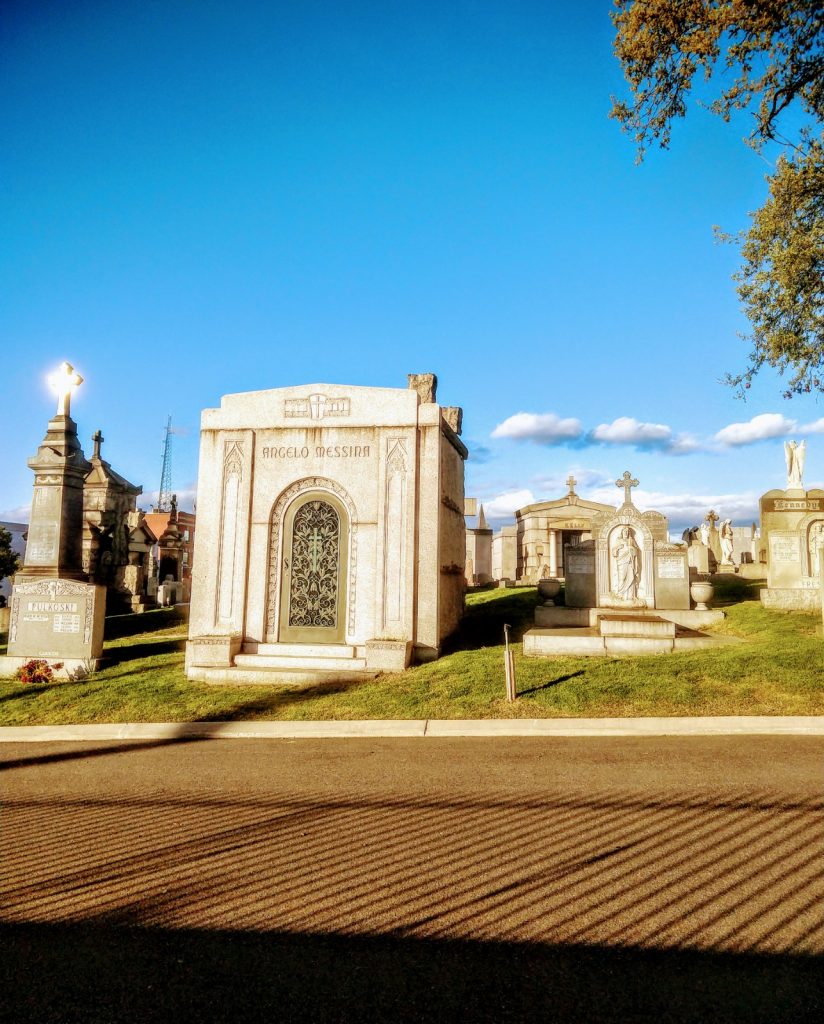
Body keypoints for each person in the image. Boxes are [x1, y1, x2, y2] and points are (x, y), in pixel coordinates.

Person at [612, 526, 641, 600]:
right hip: (621, 561)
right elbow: (614, 553)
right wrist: (618, 548)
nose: (626, 533)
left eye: (628, 531)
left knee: (631, 578)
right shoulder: (619, 541)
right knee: (622, 578)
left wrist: (632, 548)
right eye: (625, 531)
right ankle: (620, 594)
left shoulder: (632, 541)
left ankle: (630, 596)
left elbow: (636, 551)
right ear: (622, 532)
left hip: (630, 562)